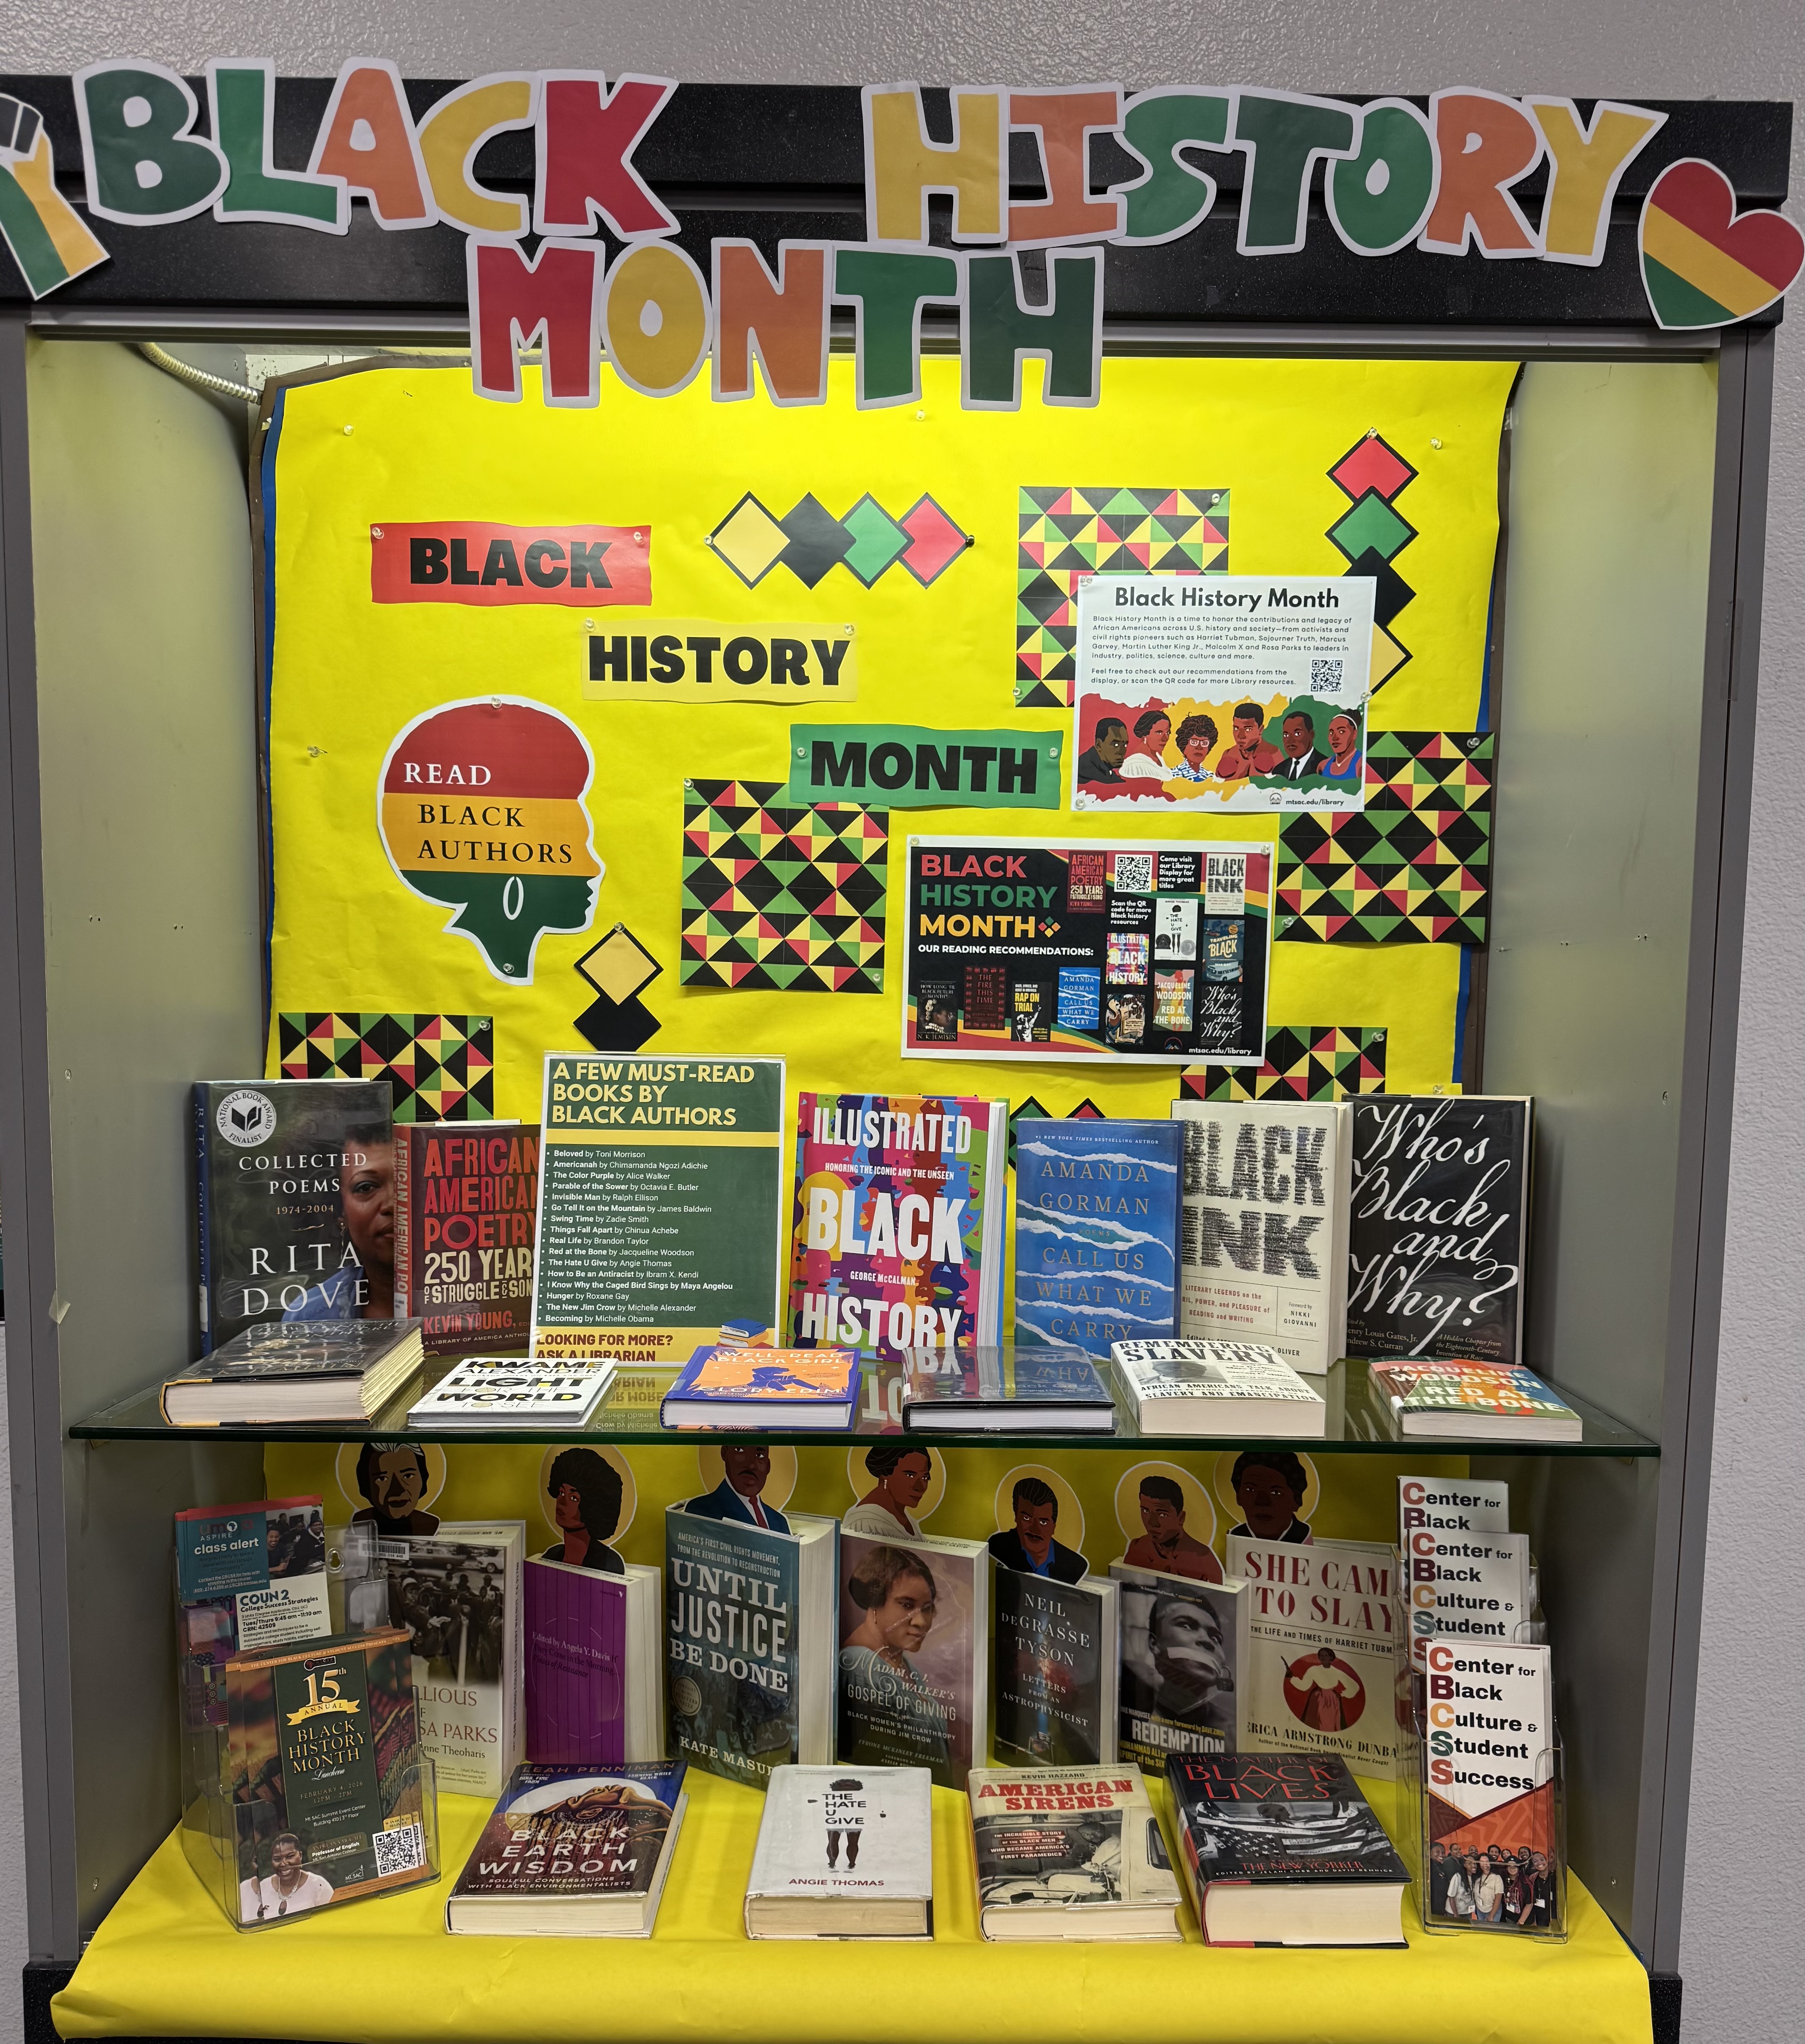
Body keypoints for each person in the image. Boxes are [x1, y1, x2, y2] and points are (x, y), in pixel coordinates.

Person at [838, 1546, 949, 1766]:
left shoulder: (900, 1662)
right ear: (875, 1601)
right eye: (907, 1605)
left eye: (927, 1608)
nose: (921, 1622)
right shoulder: (861, 1668)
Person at [283, 1124, 396, 1321]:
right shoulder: (309, 1319)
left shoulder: (468, 1307)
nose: (392, 1204)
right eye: (366, 1187)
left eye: (409, 1180)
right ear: (340, 1210)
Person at [1123, 1591, 1234, 1731]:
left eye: (1215, 1638)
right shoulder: (1126, 1714)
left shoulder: (1233, 1733)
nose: (1207, 1641)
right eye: (1186, 1626)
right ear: (1154, 1644)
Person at [1121, 1474, 1223, 1582]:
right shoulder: (1138, 1548)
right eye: (1146, 1511)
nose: (1152, 1523)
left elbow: (1218, 1597)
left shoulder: (1204, 1559)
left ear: (1181, 1518)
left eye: (1162, 1514)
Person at [542, 1445, 627, 1574]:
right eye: (561, 1493)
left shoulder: (609, 1563)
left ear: (592, 1507)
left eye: (574, 1498)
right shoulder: (551, 1557)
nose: (562, 1502)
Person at [987, 1476, 1086, 1582]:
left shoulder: (1075, 1565)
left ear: (1053, 1528)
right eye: (1027, 1519)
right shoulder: (998, 1547)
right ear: (1016, 1517)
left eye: (1043, 1523)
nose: (1035, 1530)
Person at [684, 1442, 791, 1533]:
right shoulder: (700, 1511)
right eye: (740, 1450)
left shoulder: (780, 1522)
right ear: (725, 1453)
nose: (751, 1465)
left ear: (768, 1467)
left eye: (760, 1456)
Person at [844, 1443, 933, 1538]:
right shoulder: (865, 1520)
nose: (920, 1487)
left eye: (925, 1478)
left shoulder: (906, 1517)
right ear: (886, 1473)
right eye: (910, 1476)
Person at [351, 1441, 439, 1535]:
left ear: (423, 1478)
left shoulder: (429, 1524)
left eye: (408, 1476)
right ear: (367, 1484)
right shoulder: (360, 1524)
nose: (398, 1490)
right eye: (382, 1478)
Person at [1224, 1451, 1312, 1544]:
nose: (1262, 1502)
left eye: (1275, 1493)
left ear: (1296, 1501)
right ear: (1239, 1497)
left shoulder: (1302, 1537)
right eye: (1251, 1490)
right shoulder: (1236, 1536)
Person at [242, 1834, 334, 1922]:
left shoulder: (319, 1886)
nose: (283, 1864)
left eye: (290, 1857)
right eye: (277, 1859)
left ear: (301, 1856)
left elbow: (332, 1920)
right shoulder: (263, 1887)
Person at [1287, 1646, 1362, 1732]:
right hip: (1317, 1700)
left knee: (1330, 1723)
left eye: (1326, 1656)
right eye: (1321, 1656)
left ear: (1331, 1658)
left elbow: (1354, 1686)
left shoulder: (1336, 1672)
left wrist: (1343, 1694)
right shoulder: (1314, 1670)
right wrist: (1292, 1678)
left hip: (1333, 1701)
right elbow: (1304, 1685)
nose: (1323, 1658)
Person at [1215, 703, 1283, 779]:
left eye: (1248, 729)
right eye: (1236, 729)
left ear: (1260, 730)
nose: (1240, 736)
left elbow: (1284, 787)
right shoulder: (1228, 755)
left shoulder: (1274, 754)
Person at [1118, 708, 1173, 780]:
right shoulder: (1134, 766)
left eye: (1168, 733)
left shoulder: (1160, 759)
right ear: (1145, 733)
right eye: (1159, 733)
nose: (1165, 739)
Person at [1274, 708, 1326, 779]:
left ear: (1311, 735)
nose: (1290, 741)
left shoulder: (1325, 767)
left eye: (1297, 734)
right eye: (1286, 735)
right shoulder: (1279, 770)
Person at [1075, 717, 1129, 785]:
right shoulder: (1084, 771)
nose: (1122, 752)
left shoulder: (1105, 772)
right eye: (1115, 745)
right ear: (1099, 745)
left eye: (1125, 745)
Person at [1169, 714, 1218, 782]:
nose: (1199, 747)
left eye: (1204, 743)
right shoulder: (1173, 776)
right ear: (1184, 744)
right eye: (1194, 742)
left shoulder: (1211, 777)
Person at [1321, 711, 1362, 781]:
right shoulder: (1323, 766)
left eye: (1342, 732)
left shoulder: (1361, 765)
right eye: (1331, 733)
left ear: (1355, 734)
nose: (1335, 738)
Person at [1445, 1853, 1478, 1921]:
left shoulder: (1475, 1877)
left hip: (1467, 1912)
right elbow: (1451, 1897)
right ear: (1465, 1865)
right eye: (1470, 1864)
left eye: (1475, 1863)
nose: (1474, 1866)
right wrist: (1456, 1915)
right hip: (1454, 1913)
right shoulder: (1457, 1877)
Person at [1474, 1850, 1505, 1924]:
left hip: (1493, 1911)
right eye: (1482, 1862)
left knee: (1492, 1932)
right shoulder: (1477, 1876)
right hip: (1480, 1910)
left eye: (1487, 1862)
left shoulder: (1497, 1878)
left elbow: (1498, 1898)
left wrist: (1491, 1916)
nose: (1485, 1864)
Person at [1427, 1841, 1452, 1919]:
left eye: (1443, 1852)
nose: (1441, 1855)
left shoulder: (1444, 1866)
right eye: (1437, 1852)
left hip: (1443, 1905)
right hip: (1432, 1906)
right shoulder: (1427, 1867)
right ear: (1430, 1853)